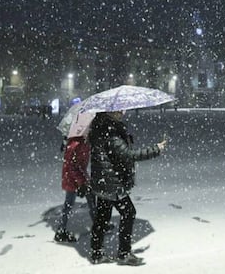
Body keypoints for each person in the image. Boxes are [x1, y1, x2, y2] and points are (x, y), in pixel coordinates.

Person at [88, 111, 166, 266]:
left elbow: (114, 152)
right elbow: (128, 155)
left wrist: (125, 138)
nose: (122, 113)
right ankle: (124, 253)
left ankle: (96, 252)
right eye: (118, 110)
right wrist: (155, 149)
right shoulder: (110, 132)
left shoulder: (100, 128)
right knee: (128, 212)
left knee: (102, 216)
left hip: (103, 180)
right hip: (112, 182)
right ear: (109, 112)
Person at [54, 136, 95, 242]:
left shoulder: (79, 142)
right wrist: (82, 184)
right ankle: (61, 230)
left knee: (73, 203)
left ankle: (61, 230)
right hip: (74, 178)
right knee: (72, 203)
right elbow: (73, 166)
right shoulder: (77, 144)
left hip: (76, 177)